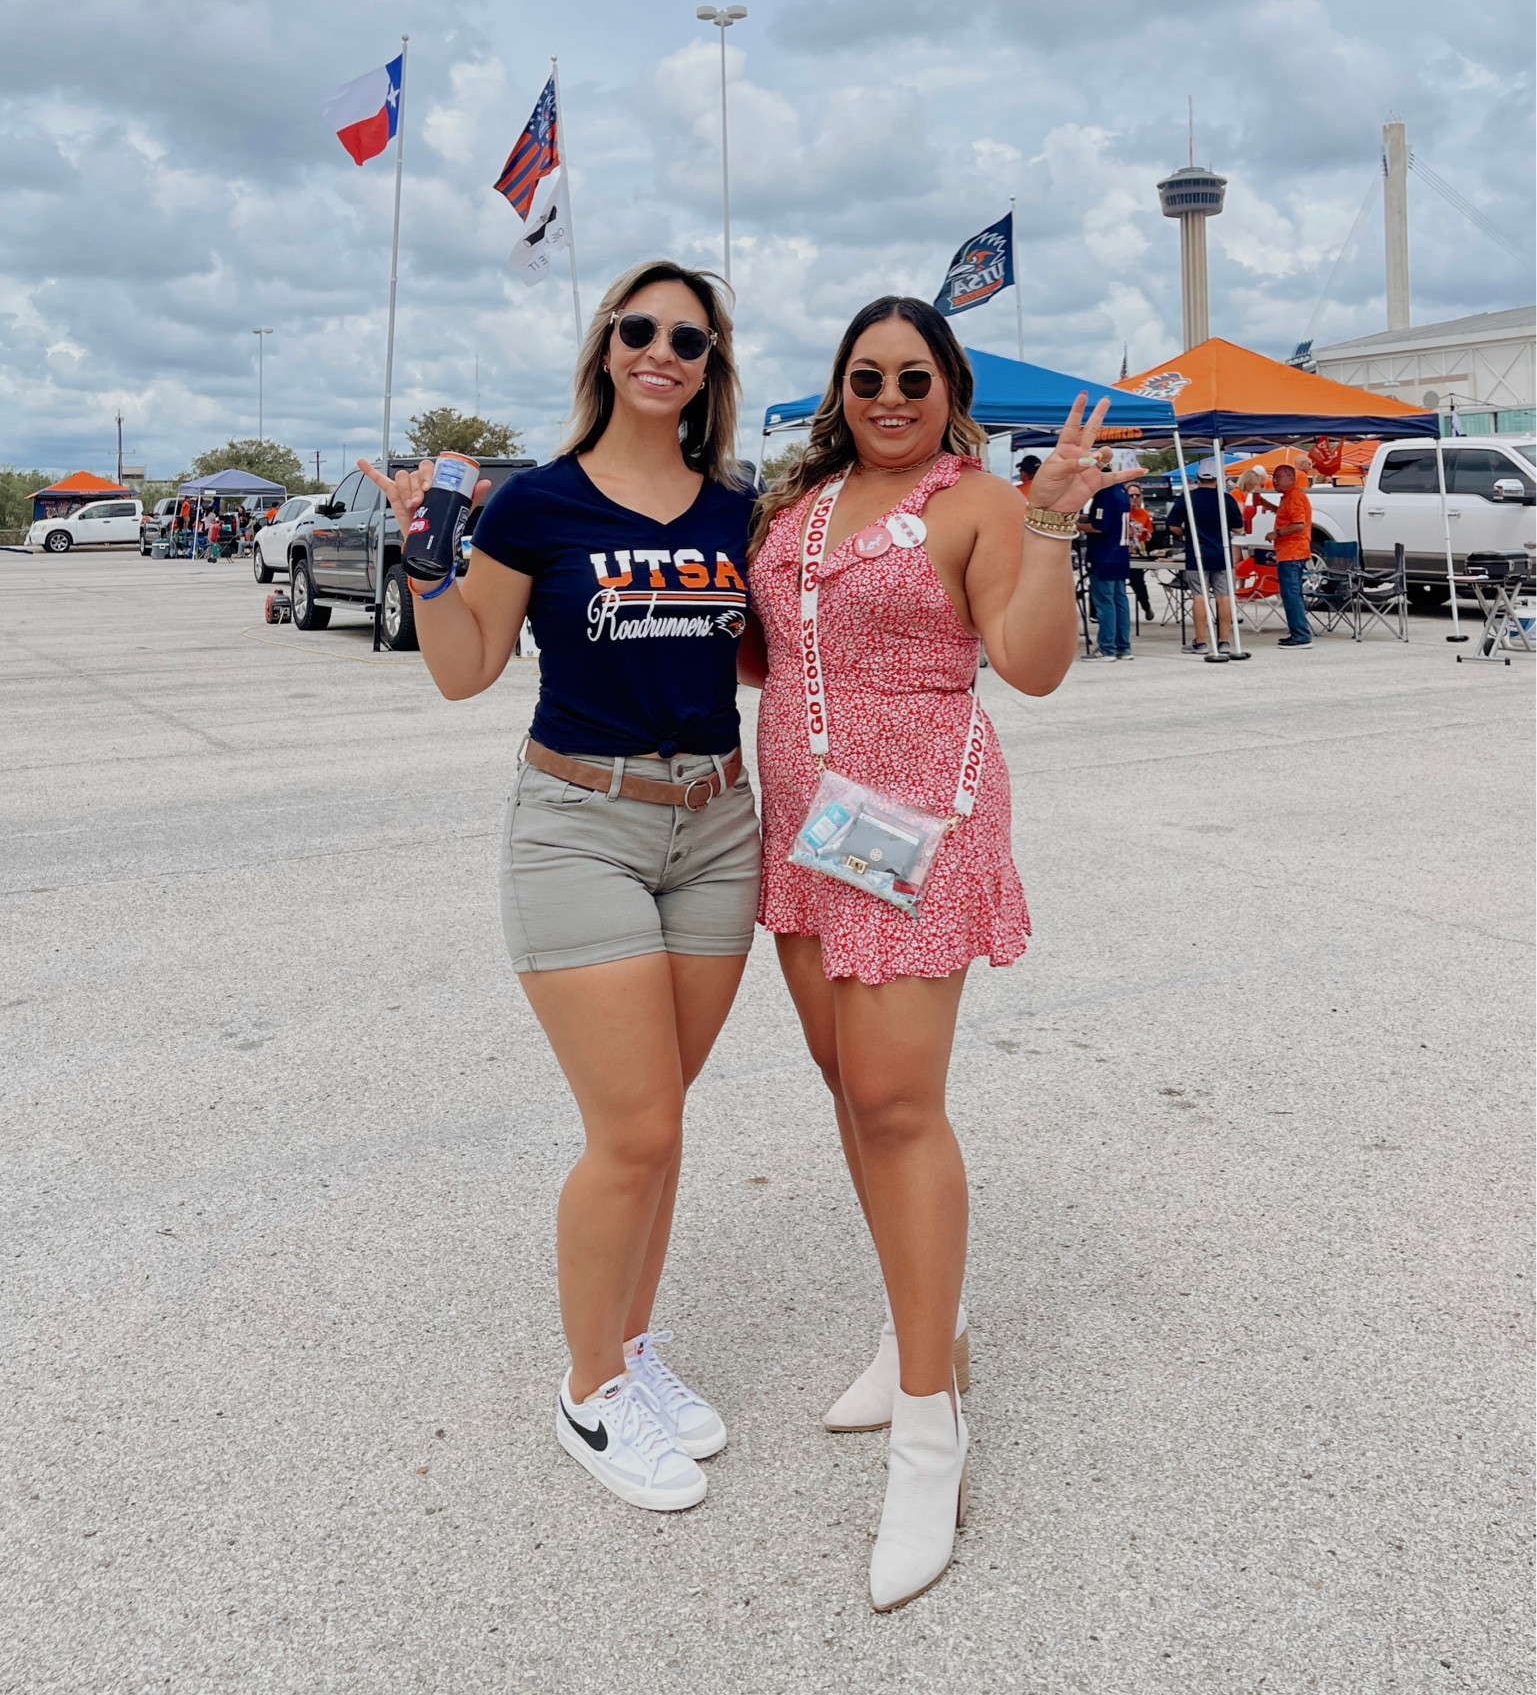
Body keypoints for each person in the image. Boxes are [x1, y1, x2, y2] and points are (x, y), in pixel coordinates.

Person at [359, 260, 761, 1514]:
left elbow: (766, 654)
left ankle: (632, 1351)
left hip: (715, 827)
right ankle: (589, 1391)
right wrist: (429, 561)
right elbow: (465, 667)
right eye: (637, 329)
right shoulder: (536, 502)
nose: (661, 350)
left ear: (709, 366)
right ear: (603, 349)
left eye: (686, 338)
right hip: (578, 825)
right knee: (630, 1127)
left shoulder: (734, 512)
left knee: (665, 1120)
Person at [745, 295, 1128, 1610]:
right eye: (867, 375)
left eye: (915, 375)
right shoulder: (797, 508)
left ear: (948, 383)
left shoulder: (975, 502)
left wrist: (1056, 519)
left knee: (900, 1104)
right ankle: (934, 1331)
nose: (890, 394)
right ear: (839, 387)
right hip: (803, 824)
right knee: (853, 1092)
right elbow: (758, 653)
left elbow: (1029, 665)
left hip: (913, 817)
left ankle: (929, 1435)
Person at [1165, 462, 1242, 657]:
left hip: (1197, 553)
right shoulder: (1226, 499)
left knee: (1199, 595)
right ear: (1217, 479)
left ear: (1198, 479)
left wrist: (1186, 534)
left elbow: (1172, 525)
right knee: (1223, 596)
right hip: (1222, 553)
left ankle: (1200, 642)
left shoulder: (1187, 499)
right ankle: (1224, 640)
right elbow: (1238, 528)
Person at [1079, 464, 1141, 659]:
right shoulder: (1122, 492)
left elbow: (1100, 526)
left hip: (1104, 555)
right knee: (1119, 601)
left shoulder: (1104, 494)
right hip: (1120, 555)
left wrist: (1075, 525)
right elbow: (1108, 519)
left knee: (1105, 602)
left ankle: (1107, 647)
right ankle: (1123, 646)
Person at [1262, 461, 1313, 649]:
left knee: (1291, 594)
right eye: (1273, 477)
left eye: (1278, 477)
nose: (1274, 481)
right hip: (1290, 552)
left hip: (1292, 552)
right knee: (1291, 593)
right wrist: (1269, 505)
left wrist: (1277, 533)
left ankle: (1300, 635)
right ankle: (1297, 632)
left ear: (1291, 478)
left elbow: (1299, 524)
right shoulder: (1288, 497)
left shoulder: (1294, 497)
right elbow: (1288, 516)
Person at [1125, 483, 1155, 622]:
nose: (1135, 498)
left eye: (1137, 495)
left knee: (1138, 582)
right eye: (1131, 495)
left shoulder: (1143, 513)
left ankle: (1146, 606)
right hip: (1121, 550)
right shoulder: (1120, 511)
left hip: (1137, 552)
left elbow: (1149, 534)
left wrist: (1146, 534)